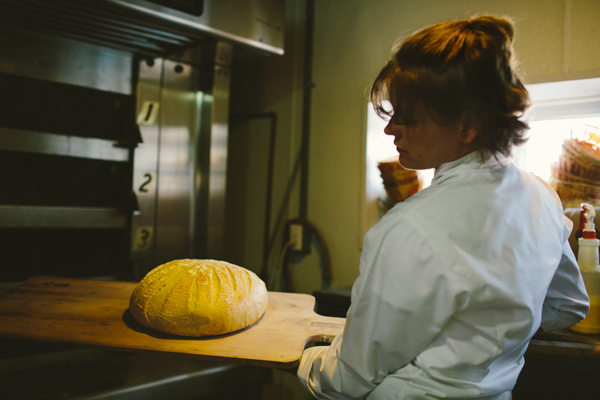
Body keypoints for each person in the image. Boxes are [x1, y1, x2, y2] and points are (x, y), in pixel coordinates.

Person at [295, 15, 590, 400]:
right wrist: (487, 332)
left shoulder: (409, 229)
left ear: (467, 127)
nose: (390, 130)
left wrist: (303, 358)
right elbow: (569, 306)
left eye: (407, 118)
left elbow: (349, 378)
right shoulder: (543, 199)